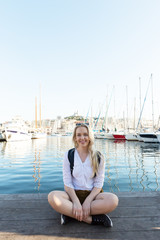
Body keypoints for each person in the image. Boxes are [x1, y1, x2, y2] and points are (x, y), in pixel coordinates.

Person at [48, 123, 118, 227]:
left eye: (85, 134)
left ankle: (69, 214)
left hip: (93, 197)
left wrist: (88, 202)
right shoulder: (69, 155)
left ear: (90, 136)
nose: (82, 138)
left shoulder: (99, 156)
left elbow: (99, 184)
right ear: (75, 138)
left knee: (113, 200)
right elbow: (67, 182)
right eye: (79, 135)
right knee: (52, 197)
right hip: (73, 195)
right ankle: (90, 219)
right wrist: (76, 201)